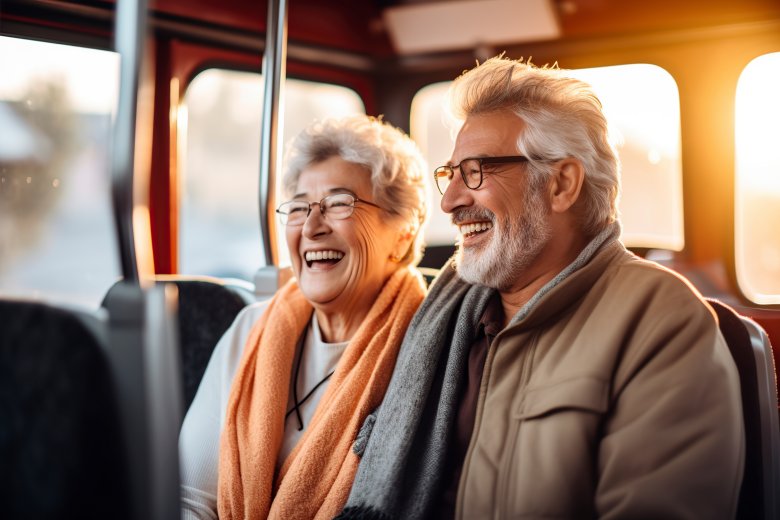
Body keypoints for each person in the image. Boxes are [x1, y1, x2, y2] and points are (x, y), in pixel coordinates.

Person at [338, 57, 745, 519]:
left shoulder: (661, 320)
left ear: (561, 183)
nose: (450, 202)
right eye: (450, 174)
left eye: (475, 171)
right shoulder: (447, 312)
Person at [179, 115, 429, 520]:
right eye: (299, 208)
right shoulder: (250, 330)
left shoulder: (430, 346)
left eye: (338, 204)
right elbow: (189, 499)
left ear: (402, 230)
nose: (311, 227)